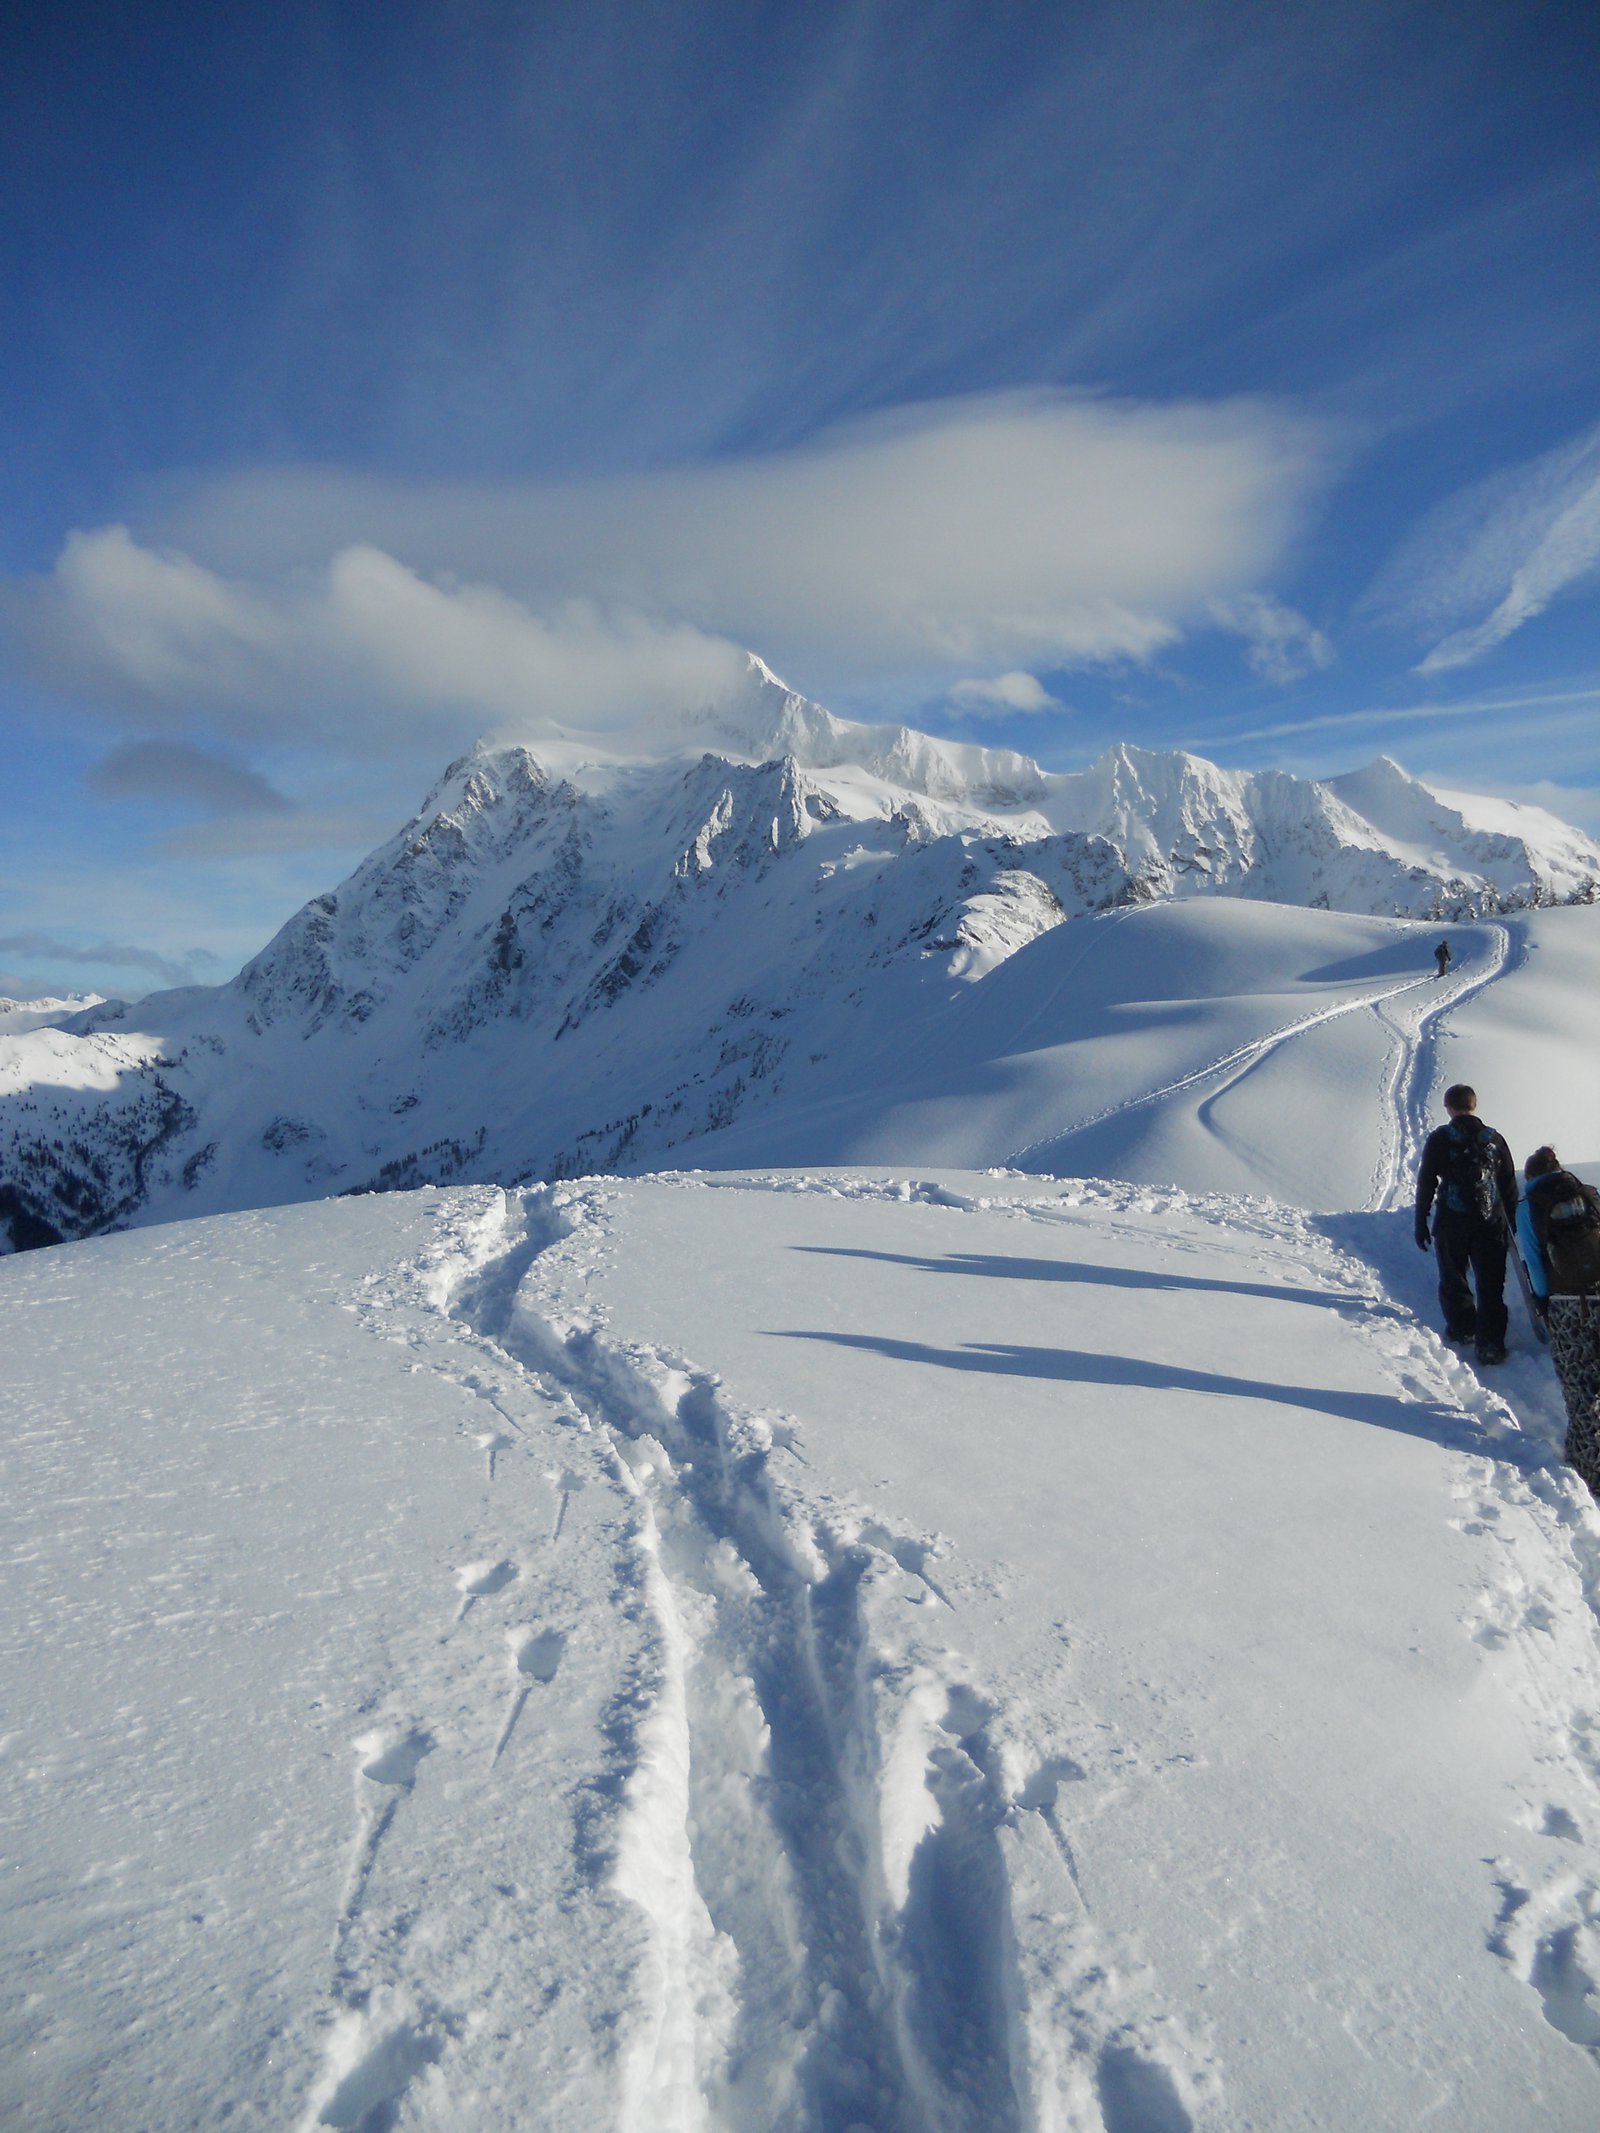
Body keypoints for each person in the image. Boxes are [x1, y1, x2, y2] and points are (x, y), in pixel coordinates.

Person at [1516, 1146, 1600, 1495]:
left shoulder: (1529, 1206)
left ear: (1531, 1177)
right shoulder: (1589, 1194)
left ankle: (1587, 1468)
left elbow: (1535, 1265)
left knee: (1579, 1384)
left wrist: (1542, 1301)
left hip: (1568, 1304)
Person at [1415, 1084, 1517, 1364]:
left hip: (1451, 1221)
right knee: (1491, 1284)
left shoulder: (1440, 1139)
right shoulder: (1494, 1139)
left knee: (1453, 1277)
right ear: (1475, 1105)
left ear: (1448, 1107)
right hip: (1490, 1223)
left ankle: (1463, 1328)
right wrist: (1512, 1224)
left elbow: (1426, 1182)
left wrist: (1421, 1220)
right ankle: (1491, 1344)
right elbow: (1508, 1185)